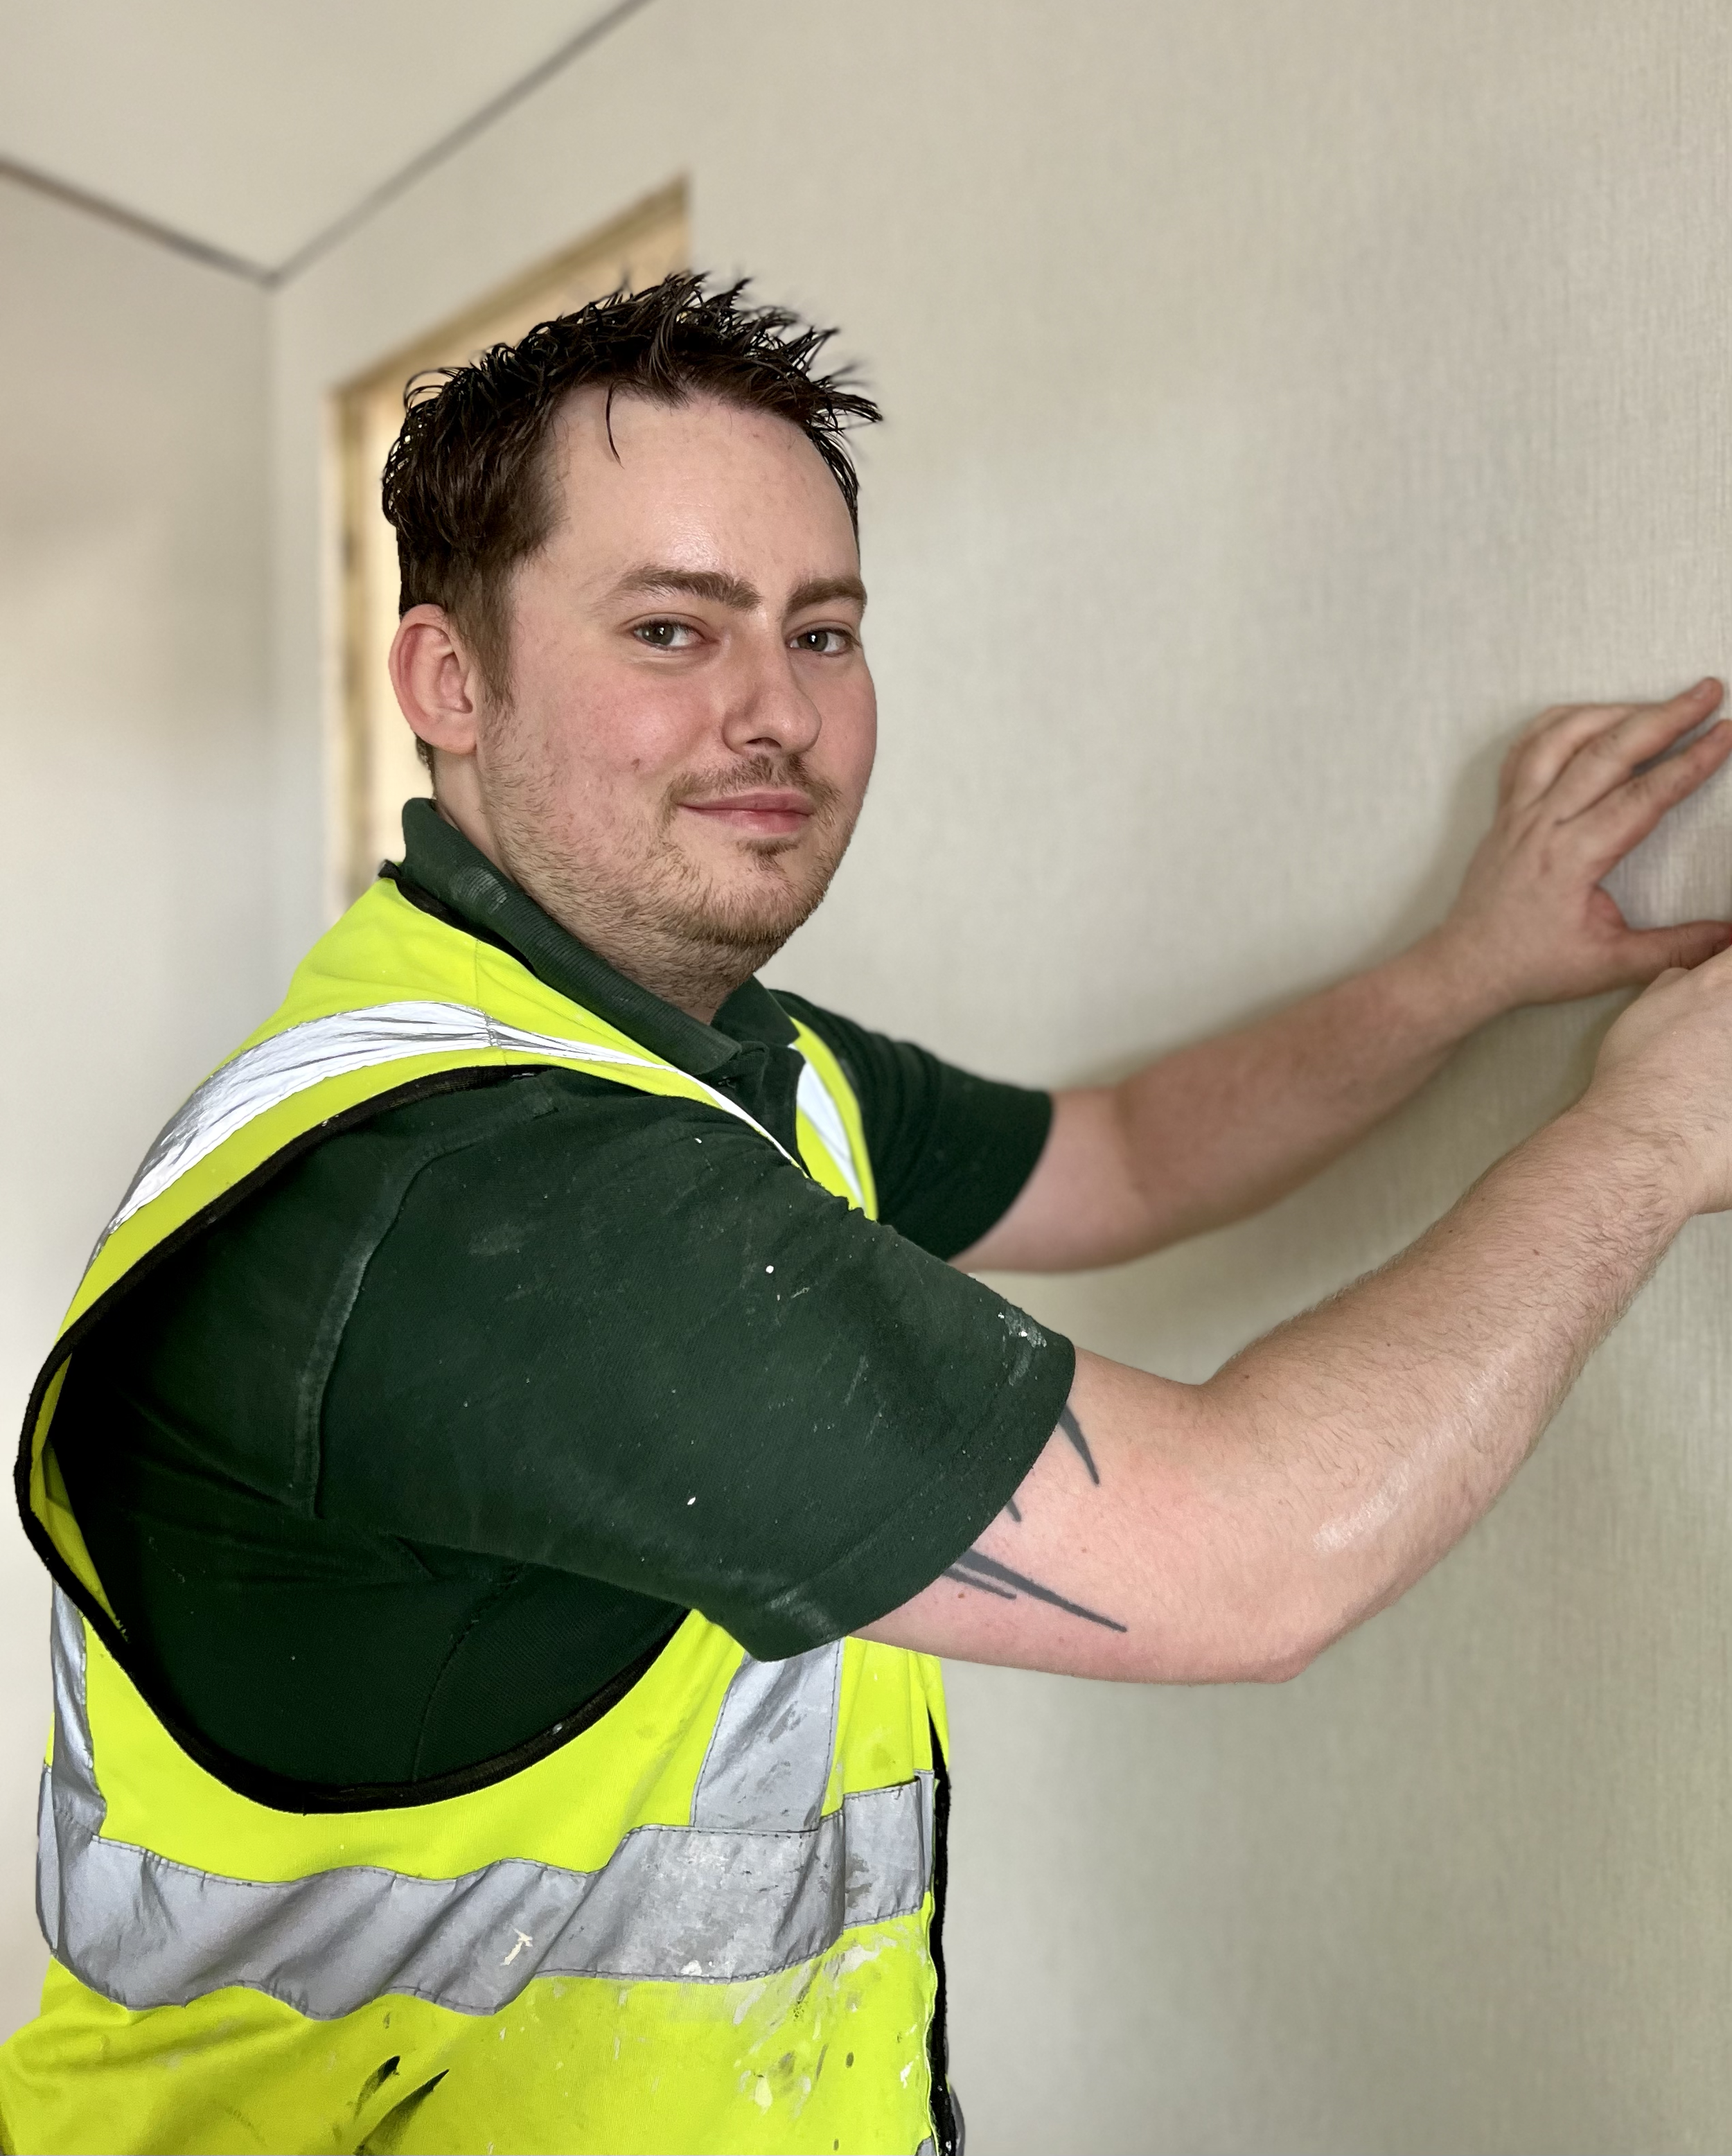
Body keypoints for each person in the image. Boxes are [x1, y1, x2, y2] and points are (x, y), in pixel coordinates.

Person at [5, 274, 1732, 2156]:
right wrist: (1652, 1133)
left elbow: (1127, 1151)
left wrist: (1461, 972)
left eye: (819, 632)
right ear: (449, 682)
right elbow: (1255, 1556)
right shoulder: (480, 1194)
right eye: (672, 628)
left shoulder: (712, 1056)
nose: (776, 714)